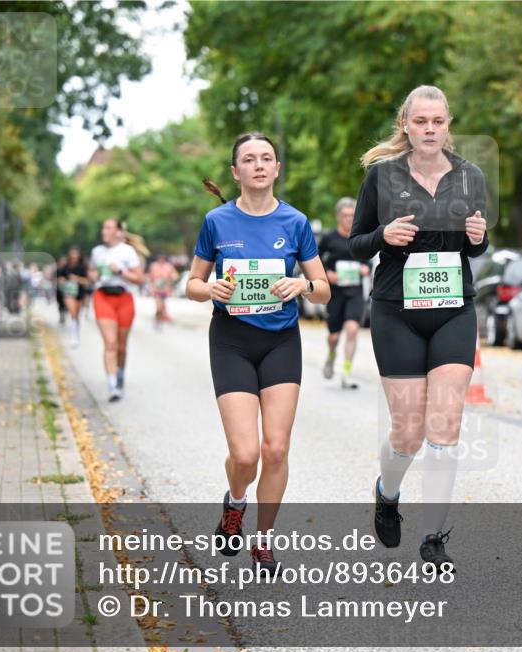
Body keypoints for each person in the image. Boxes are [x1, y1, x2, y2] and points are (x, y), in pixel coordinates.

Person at [350, 85, 488, 571]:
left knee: (446, 425)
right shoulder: (382, 177)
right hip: (396, 310)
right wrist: (382, 235)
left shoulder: (470, 176)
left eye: (438, 121)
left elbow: (475, 248)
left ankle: (434, 537)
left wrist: (478, 237)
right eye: (421, 122)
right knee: (407, 432)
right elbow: (356, 245)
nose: (430, 130)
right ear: (405, 125)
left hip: (453, 308)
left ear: (448, 124)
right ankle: (387, 493)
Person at [189, 132, 330, 573]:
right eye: (249, 159)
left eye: (266, 158)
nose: (259, 165)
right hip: (231, 340)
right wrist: (209, 288)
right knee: (245, 454)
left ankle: (264, 541)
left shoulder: (295, 222)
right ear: (236, 172)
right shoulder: (217, 222)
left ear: (276, 168)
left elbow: (324, 289)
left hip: (280, 341)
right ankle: (234, 503)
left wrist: (303, 285)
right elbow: (191, 284)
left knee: (275, 449)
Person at [88, 219, 145, 402]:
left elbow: (139, 278)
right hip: (102, 296)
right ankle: (112, 385)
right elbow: (91, 274)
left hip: (124, 298)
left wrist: (120, 271)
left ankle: (119, 373)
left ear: (118, 231)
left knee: (121, 346)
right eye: (103, 227)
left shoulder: (127, 251)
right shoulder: (97, 252)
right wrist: (95, 275)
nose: (104, 230)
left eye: (108, 227)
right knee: (110, 343)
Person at [318, 197, 371, 388]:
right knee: (334, 336)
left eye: (352, 215)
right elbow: (315, 259)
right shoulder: (329, 237)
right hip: (335, 293)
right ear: (338, 216)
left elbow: (368, 259)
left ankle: (346, 373)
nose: (349, 219)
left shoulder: (360, 236)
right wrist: (327, 273)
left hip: (355, 291)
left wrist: (366, 268)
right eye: (345, 215)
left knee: (352, 330)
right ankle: (331, 355)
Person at [57, 247, 88, 347]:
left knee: (77, 314)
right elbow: (59, 279)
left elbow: (86, 281)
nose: (74, 256)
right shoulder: (65, 267)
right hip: (69, 293)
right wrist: (63, 281)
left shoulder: (83, 267)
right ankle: (73, 337)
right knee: (73, 313)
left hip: (80, 292)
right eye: (72, 254)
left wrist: (77, 279)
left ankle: (76, 332)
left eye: (76, 254)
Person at [147, 254, 179, 328]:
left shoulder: (168, 266)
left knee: (163, 307)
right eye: (160, 258)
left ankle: (160, 320)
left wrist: (171, 278)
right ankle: (157, 319)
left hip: (165, 290)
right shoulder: (153, 266)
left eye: (163, 258)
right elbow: (149, 276)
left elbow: (175, 275)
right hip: (156, 289)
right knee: (159, 307)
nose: (161, 260)